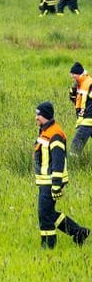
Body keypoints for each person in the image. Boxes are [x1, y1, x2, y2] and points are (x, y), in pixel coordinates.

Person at [31, 102, 89, 249]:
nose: (36, 117)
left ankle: (48, 247)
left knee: (44, 214)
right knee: (48, 213)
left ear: (45, 116)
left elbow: (57, 162)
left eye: (38, 114)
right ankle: (79, 232)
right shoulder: (45, 131)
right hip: (46, 181)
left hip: (51, 181)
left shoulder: (55, 134)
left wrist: (56, 185)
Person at [69, 62, 92, 157]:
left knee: (76, 145)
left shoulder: (89, 83)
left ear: (79, 74)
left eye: (73, 75)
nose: (72, 77)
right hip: (84, 120)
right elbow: (75, 101)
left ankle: (72, 165)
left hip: (88, 120)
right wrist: (73, 91)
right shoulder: (80, 84)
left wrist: (86, 117)